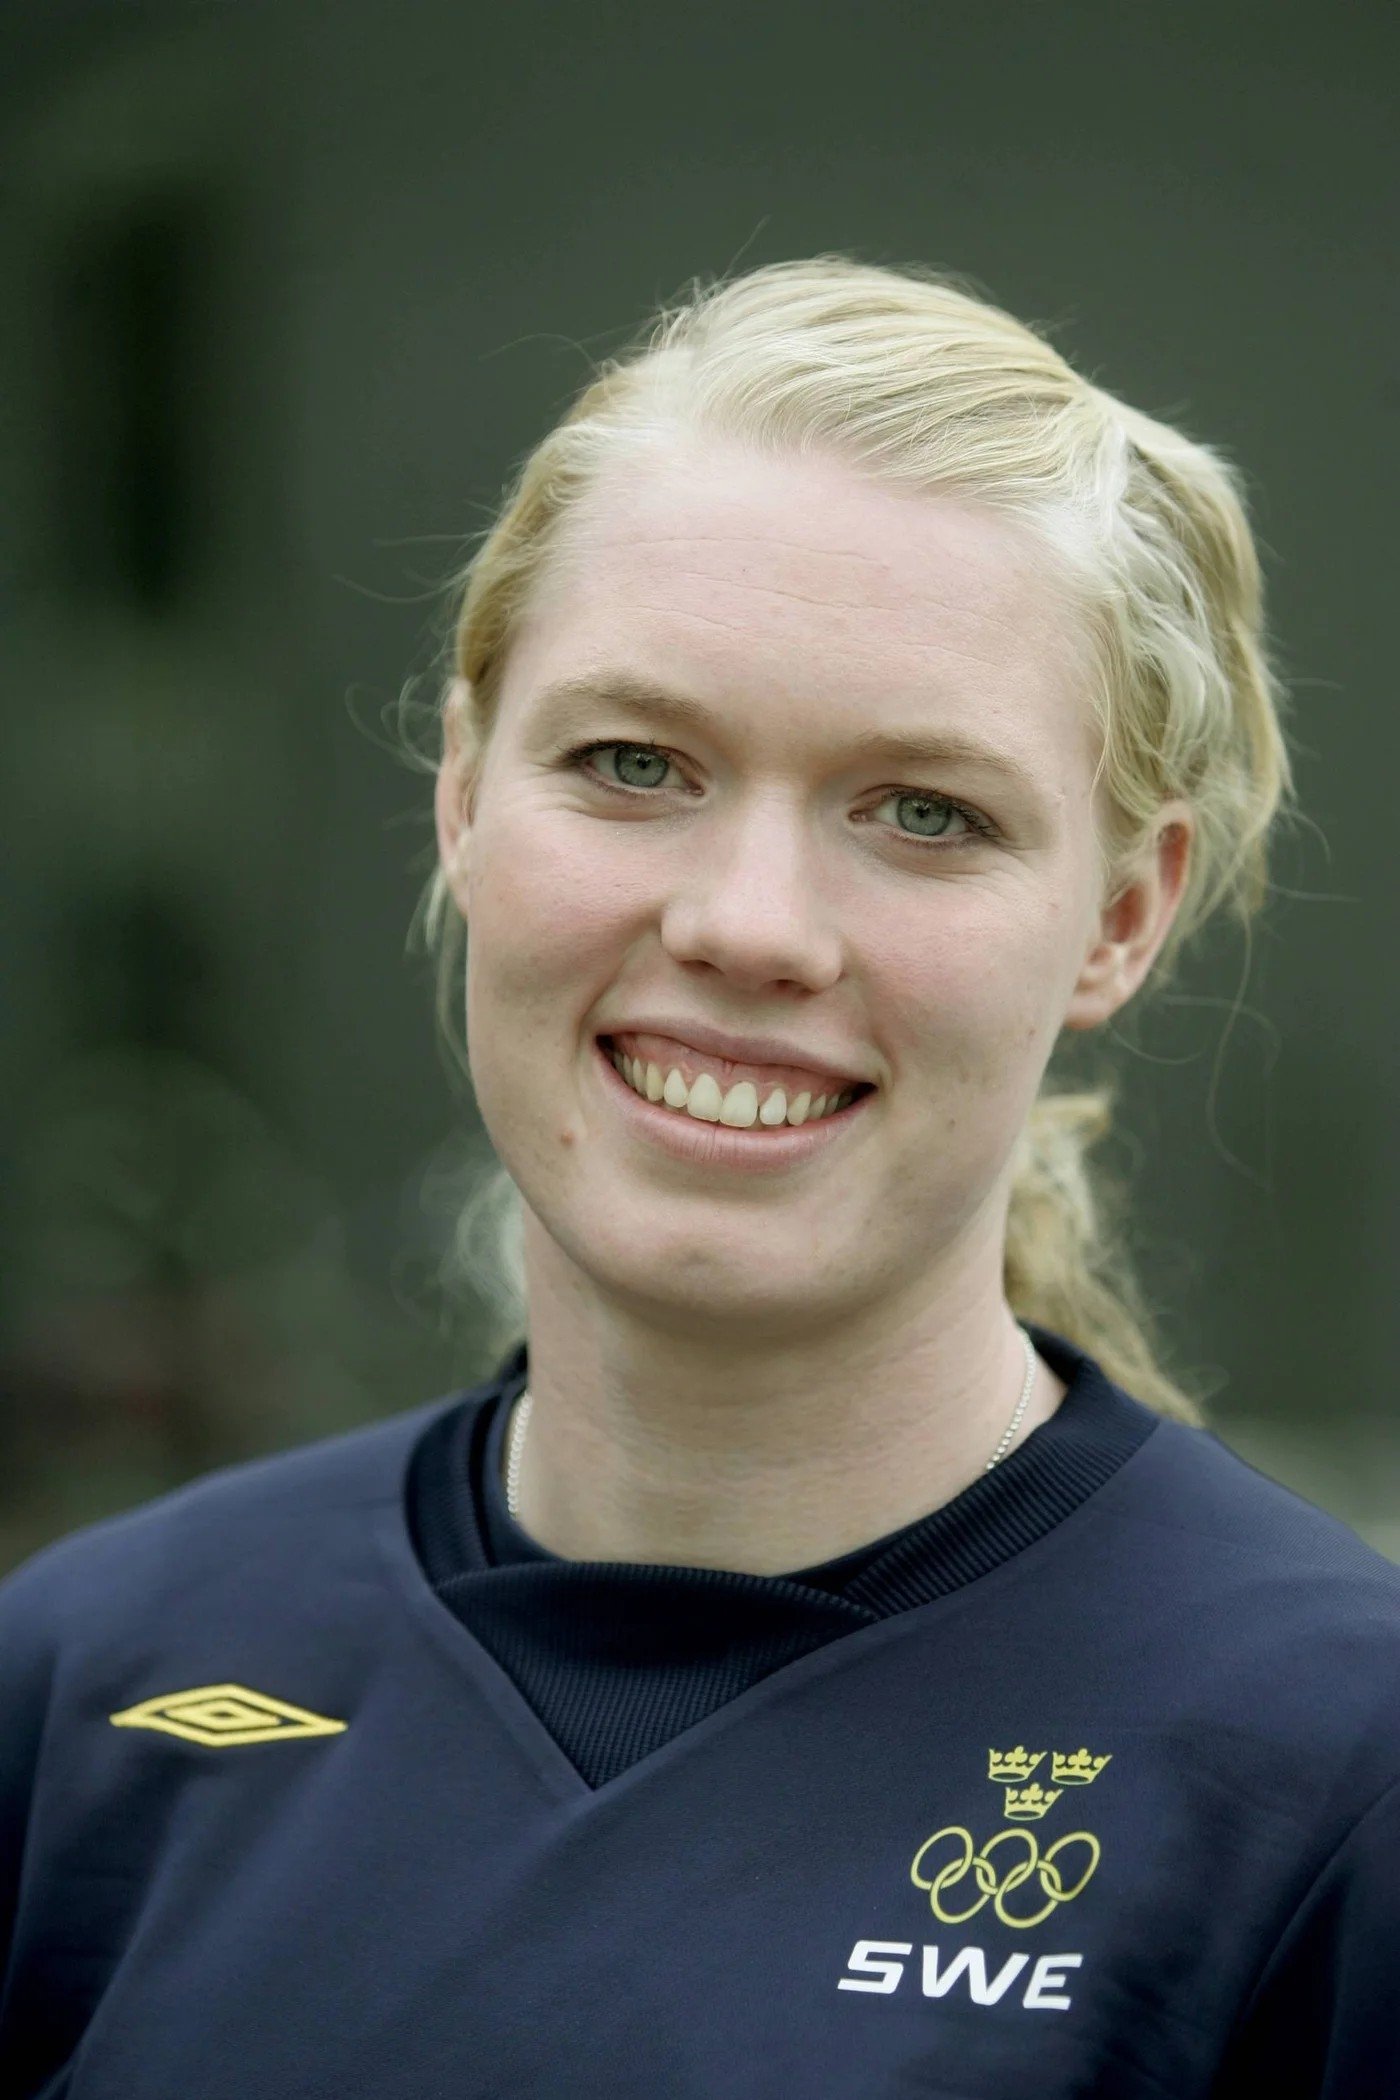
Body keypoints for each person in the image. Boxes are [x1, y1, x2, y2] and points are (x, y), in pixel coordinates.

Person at [1, 255, 1396, 2098]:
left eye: (927, 813)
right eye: (635, 763)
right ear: (463, 795)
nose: (750, 925)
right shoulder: (82, 1687)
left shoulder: (1338, 1773)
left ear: (1121, 918)